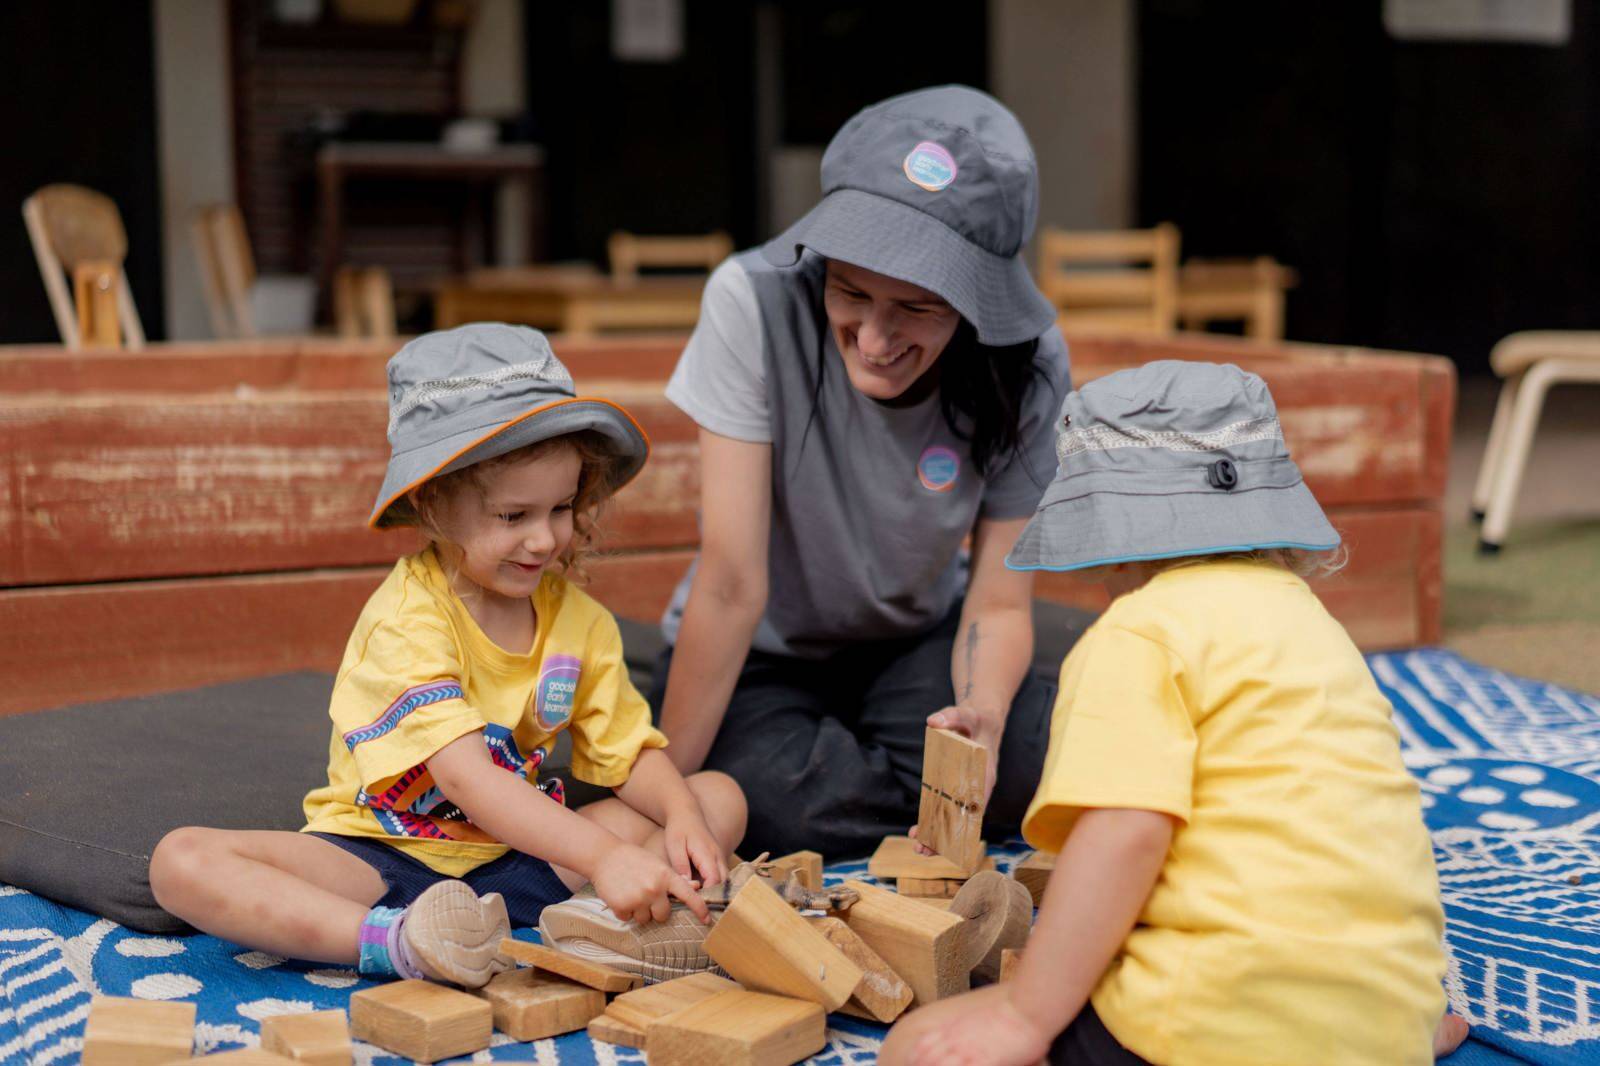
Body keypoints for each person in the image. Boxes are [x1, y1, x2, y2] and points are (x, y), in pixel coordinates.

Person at [881, 361, 1465, 1065]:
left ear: (1106, 535)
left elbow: (1125, 832)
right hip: (1385, 1019)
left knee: (915, 1045)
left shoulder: (1137, 633)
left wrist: (1026, 1013)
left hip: (1210, 1024)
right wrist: (1402, 1016)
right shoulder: (1314, 626)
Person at [150, 324, 746, 988]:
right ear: (435, 502)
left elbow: (627, 752)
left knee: (716, 796)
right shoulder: (408, 618)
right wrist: (607, 855)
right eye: (513, 516)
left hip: (525, 858)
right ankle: (400, 942)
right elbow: (464, 779)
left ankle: (605, 927)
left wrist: (683, 818)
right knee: (181, 862)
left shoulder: (581, 624)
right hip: (380, 858)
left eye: (561, 507)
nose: (545, 538)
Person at [652, 85, 1072, 856]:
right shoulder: (754, 299)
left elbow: (1001, 603)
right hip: (761, 649)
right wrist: (666, 801)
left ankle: (849, 783)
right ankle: (856, 794)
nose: (875, 338)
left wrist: (981, 711)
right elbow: (732, 582)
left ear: (978, 302)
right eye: (851, 292)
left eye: (916, 306)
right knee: (778, 800)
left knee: (1025, 762)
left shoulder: (1030, 363)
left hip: (913, 640)